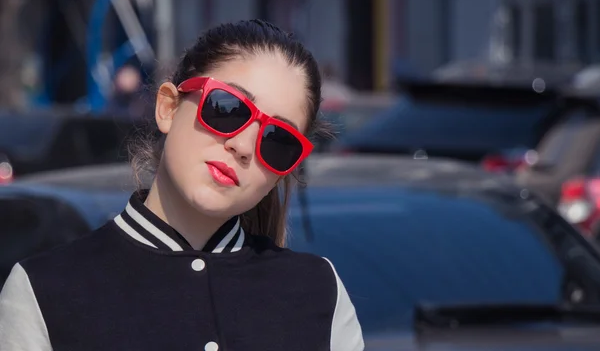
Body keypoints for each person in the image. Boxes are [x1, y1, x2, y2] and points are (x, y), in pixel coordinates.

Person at [0, 20, 364, 351]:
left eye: (277, 140)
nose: (242, 147)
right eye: (227, 109)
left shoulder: (318, 291)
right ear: (168, 108)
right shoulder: (45, 290)